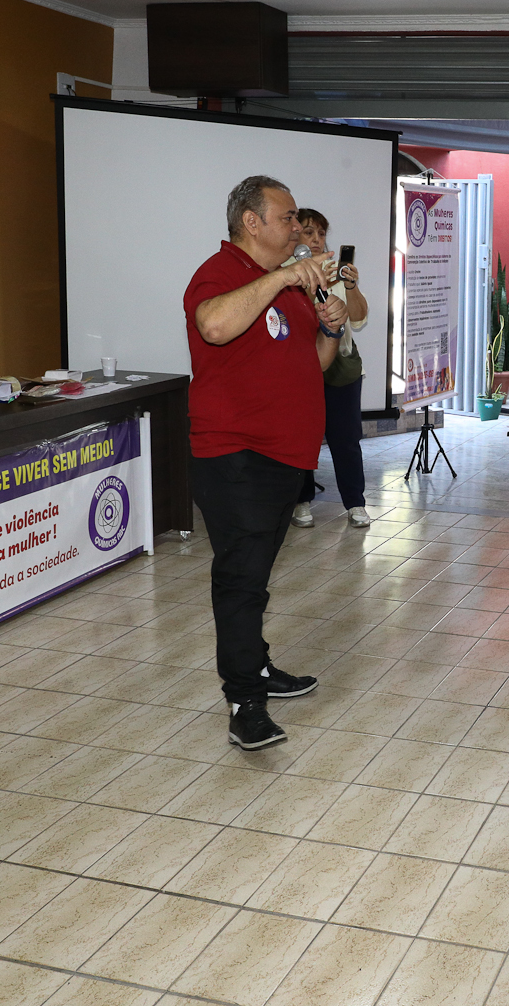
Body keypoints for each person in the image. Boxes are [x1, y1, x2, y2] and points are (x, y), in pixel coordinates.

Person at [184, 175, 346, 751]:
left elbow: (315, 362)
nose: (298, 227)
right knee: (242, 581)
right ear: (251, 223)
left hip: (283, 457)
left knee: (255, 575)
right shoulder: (222, 272)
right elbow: (214, 325)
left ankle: (259, 668)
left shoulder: (288, 286)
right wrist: (284, 277)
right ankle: (244, 701)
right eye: (288, 217)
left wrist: (332, 326)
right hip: (237, 457)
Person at [290, 208, 372, 530]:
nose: (316, 239)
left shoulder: (337, 274)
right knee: (303, 437)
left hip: (342, 370)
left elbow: (360, 319)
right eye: (309, 232)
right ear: (295, 236)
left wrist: (350, 287)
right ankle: (301, 501)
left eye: (321, 234)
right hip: (303, 368)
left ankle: (355, 504)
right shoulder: (287, 273)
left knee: (346, 440)